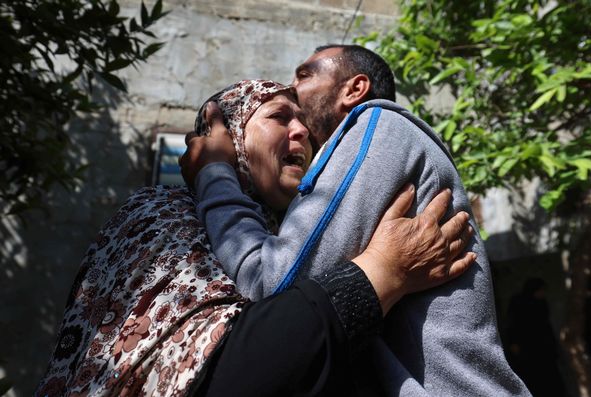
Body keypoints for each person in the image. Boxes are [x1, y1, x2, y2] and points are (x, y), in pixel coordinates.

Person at [37, 80, 473, 397]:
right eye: (279, 116)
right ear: (231, 140)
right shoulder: (162, 216)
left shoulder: (288, 235)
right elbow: (233, 375)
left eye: (304, 123)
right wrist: (380, 274)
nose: (302, 132)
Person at [181, 45, 530, 396]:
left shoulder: (377, 123)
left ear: (354, 89)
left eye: (304, 75)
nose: (292, 88)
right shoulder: (171, 216)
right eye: (278, 116)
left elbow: (270, 285)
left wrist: (214, 173)